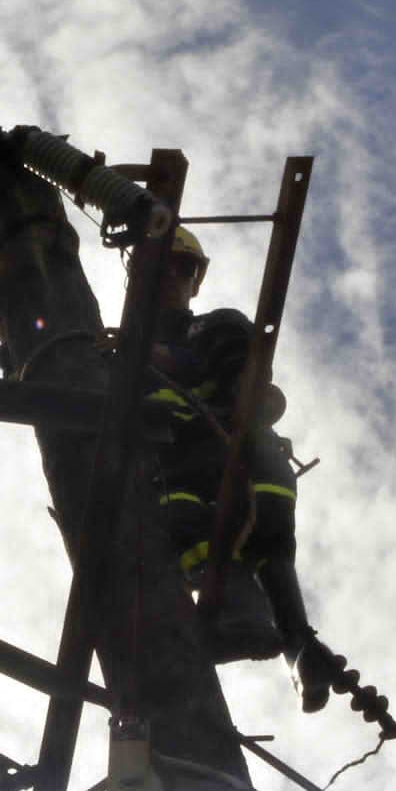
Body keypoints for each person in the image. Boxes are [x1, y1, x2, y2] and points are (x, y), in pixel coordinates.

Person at [147, 226, 339, 712]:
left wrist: (155, 360)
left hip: (230, 460)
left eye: (184, 267)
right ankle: (297, 646)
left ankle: (262, 624)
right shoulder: (115, 355)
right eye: (164, 266)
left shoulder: (212, 326)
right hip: (215, 466)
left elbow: (245, 387)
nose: (173, 275)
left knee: (228, 537)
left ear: (197, 278)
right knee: (247, 549)